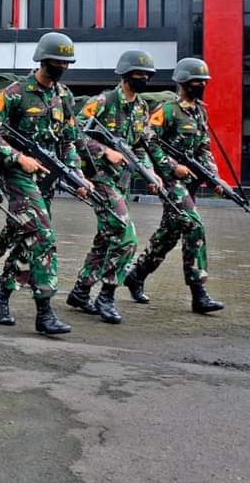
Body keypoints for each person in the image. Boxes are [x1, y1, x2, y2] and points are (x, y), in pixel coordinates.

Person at [0, 31, 86, 335]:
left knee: (27, 242)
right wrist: (16, 157)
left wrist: (75, 175)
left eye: (65, 62)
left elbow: (68, 141)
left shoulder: (64, 96)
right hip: (17, 177)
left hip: (46, 179)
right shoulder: (15, 92)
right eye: (55, 61)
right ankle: (45, 312)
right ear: (42, 60)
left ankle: (0, 297)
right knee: (44, 238)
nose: (61, 67)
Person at [67, 50, 174, 325]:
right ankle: (107, 295)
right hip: (99, 179)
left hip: (121, 181)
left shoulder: (140, 109)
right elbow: (74, 133)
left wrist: (149, 172)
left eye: (147, 76)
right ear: (126, 75)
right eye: (139, 75)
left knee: (107, 238)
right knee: (127, 238)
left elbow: (139, 146)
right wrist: (103, 151)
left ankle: (80, 291)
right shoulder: (102, 101)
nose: (143, 79)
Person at [124, 57, 226, 314]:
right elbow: (148, 141)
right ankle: (198, 293)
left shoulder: (200, 111)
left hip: (190, 182)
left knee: (169, 233)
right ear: (182, 82)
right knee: (193, 225)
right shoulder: (167, 110)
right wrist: (171, 166)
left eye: (204, 81)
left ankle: (136, 275)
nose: (201, 84)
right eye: (196, 80)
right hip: (170, 182)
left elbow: (203, 148)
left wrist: (214, 177)